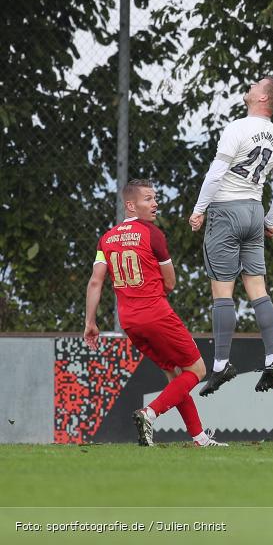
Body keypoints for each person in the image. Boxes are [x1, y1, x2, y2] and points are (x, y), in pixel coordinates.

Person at [84, 179, 226, 447]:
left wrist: (90, 322)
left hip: (130, 322)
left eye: (154, 198)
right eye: (148, 198)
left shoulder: (106, 239)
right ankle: (150, 413)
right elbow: (170, 282)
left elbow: (95, 281)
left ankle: (199, 438)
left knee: (175, 376)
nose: (155, 203)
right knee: (197, 369)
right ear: (130, 205)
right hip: (156, 314)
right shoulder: (152, 234)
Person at [189, 76, 273, 396]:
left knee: (222, 293)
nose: (251, 85)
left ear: (264, 98)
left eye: (257, 84)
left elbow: (217, 173)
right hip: (253, 211)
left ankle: (220, 365)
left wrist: (199, 208)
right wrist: (271, 220)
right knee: (258, 289)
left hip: (226, 212)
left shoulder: (237, 128)